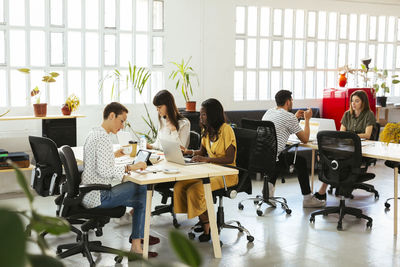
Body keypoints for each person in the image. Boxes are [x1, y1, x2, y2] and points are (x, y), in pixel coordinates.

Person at [80, 102, 158, 257]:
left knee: (141, 199)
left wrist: (114, 155)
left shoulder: (93, 133)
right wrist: (132, 167)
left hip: (88, 193)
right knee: (143, 188)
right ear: (111, 116)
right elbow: (105, 171)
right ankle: (137, 241)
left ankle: (138, 238)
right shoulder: (103, 138)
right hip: (99, 196)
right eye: (121, 121)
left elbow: (97, 163)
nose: (122, 126)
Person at [175, 98, 238, 242]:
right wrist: (188, 152)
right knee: (181, 185)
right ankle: (203, 218)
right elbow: (202, 152)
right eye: (201, 114)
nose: (200, 117)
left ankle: (207, 226)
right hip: (211, 170)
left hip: (226, 174)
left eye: (203, 114)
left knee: (196, 190)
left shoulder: (226, 130)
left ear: (212, 115)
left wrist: (207, 160)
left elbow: (229, 158)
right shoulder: (207, 130)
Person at [262, 90, 326, 208]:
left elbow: (281, 125)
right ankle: (307, 198)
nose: (292, 102)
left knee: (278, 154)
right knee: (300, 161)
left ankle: (268, 191)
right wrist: (307, 119)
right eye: (291, 100)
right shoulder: (288, 117)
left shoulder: (269, 112)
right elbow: (305, 139)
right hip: (275, 157)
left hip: (263, 155)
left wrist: (294, 117)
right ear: (287, 102)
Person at [314, 90, 376, 200]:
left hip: (360, 148)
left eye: (357, 101)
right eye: (352, 101)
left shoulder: (368, 114)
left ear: (363, 102)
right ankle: (324, 189)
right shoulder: (347, 114)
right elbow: (341, 132)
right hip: (345, 146)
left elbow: (367, 135)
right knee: (331, 158)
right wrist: (348, 138)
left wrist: (352, 137)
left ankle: (325, 190)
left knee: (337, 159)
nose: (353, 103)